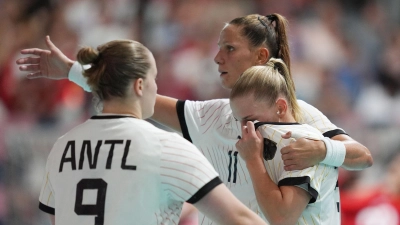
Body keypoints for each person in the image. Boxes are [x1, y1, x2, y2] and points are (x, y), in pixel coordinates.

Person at [17, 13, 372, 224]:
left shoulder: (295, 116)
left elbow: (362, 156)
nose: (217, 57)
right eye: (218, 47)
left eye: (229, 49)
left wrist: (322, 150)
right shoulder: (211, 114)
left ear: (261, 56)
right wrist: (75, 73)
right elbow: (140, 98)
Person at [37, 39, 267, 225]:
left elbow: (59, 218)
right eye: (153, 79)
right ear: (139, 85)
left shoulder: (62, 146)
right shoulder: (165, 147)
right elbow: (238, 218)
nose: (156, 87)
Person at [231, 58, 340, 224]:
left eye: (250, 120)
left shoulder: (301, 142)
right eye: (239, 121)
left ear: (280, 108)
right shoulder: (269, 141)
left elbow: (282, 218)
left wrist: (253, 160)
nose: (245, 130)